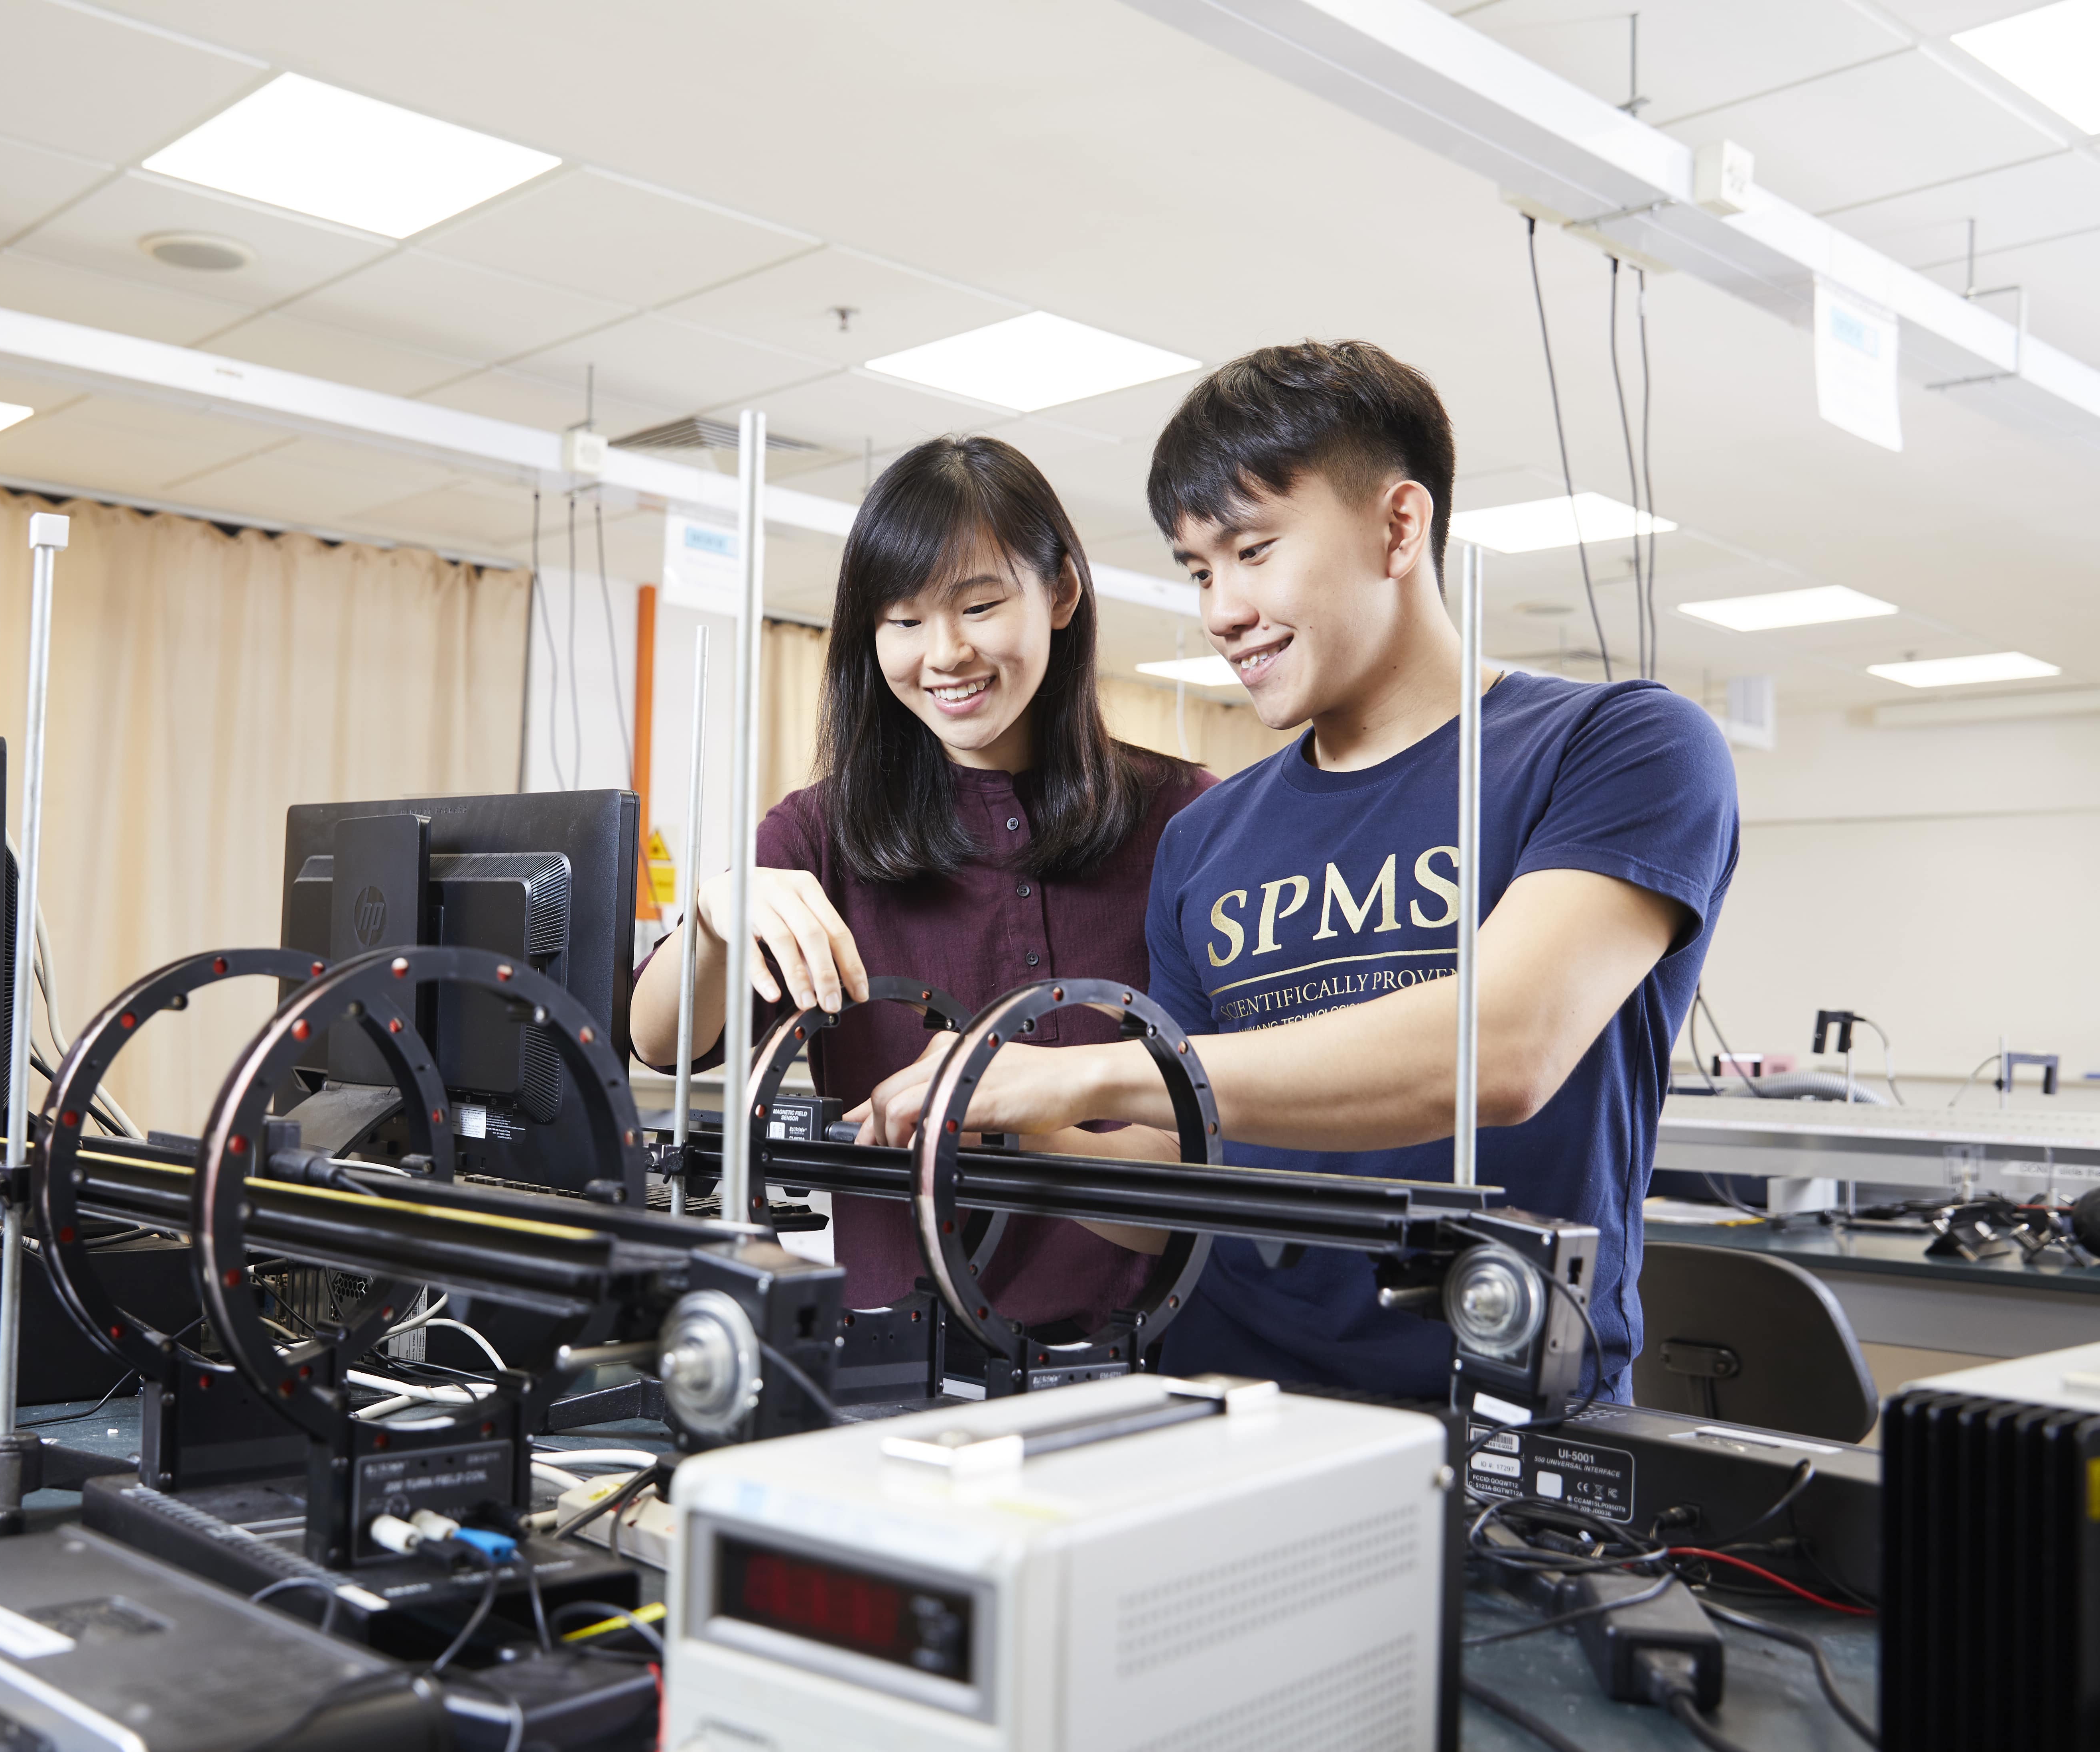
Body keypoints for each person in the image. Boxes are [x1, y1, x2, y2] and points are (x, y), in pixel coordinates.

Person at [852, 342, 1739, 1400]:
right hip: (1230, 1403)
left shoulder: (1619, 747)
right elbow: (1181, 1171)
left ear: (1398, 527)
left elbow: (1503, 1048)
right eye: (1199, 569)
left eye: (1254, 550)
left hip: (1499, 1415)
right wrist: (1006, 1122)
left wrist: (1083, 1074)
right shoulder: (1206, 836)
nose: (1221, 610)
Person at [629, 435, 1212, 1336]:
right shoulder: (822, 832)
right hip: (897, 1367)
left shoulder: (1187, 818)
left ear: (1060, 593)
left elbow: (1214, 1166)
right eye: (903, 621)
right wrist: (713, 915)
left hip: (1148, 1359)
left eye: (979, 605)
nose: (945, 653)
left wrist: (1020, 1122)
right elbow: (662, 1041)